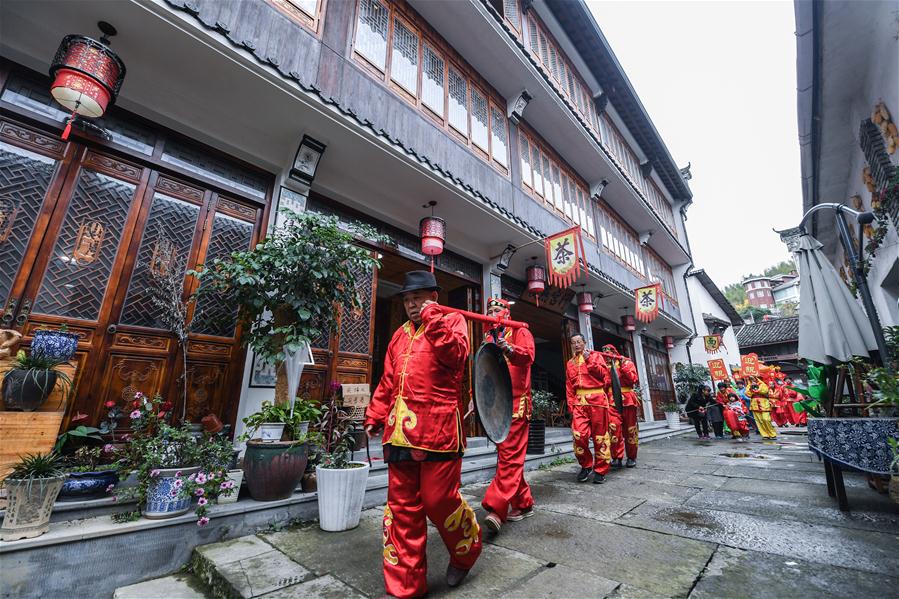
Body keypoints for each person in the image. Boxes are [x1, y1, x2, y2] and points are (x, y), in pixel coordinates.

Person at [364, 271, 482, 598]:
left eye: (418, 298)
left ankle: (467, 550)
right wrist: (375, 413)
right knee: (402, 510)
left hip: (440, 430)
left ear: (434, 297)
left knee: (438, 500)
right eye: (406, 299)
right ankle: (405, 586)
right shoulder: (399, 335)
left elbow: (456, 356)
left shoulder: (453, 321)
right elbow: (389, 381)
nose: (412, 304)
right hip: (399, 433)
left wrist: (434, 319)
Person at [481, 298, 535, 534]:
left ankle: (496, 508)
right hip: (496, 406)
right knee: (508, 457)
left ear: (507, 312)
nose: (494, 314)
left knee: (509, 457)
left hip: (515, 404)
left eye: (498, 310)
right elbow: (483, 371)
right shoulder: (488, 338)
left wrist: (510, 349)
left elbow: (528, 357)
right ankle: (524, 504)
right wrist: (477, 397)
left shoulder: (520, 330)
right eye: (490, 311)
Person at [565, 333, 612, 484]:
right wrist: (571, 405)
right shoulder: (570, 363)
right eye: (573, 343)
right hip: (579, 403)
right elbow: (569, 387)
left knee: (600, 437)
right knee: (579, 435)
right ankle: (586, 465)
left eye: (579, 342)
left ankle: (601, 469)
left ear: (585, 343)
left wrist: (588, 360)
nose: (576, 345)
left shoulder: (596, 356)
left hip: (597, 401)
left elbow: (604, 376)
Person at [602, 344, 640, 468]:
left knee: (630, 429)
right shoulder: (605, 367)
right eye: (605, 353)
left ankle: (631, 457)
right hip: (612, 400)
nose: (607, 355)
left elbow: (633, 379)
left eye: (609, 352)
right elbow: (604, 384)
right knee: (613, 429)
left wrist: (623, 365)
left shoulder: (627, 362)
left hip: (627, 399)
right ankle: (617, 457)